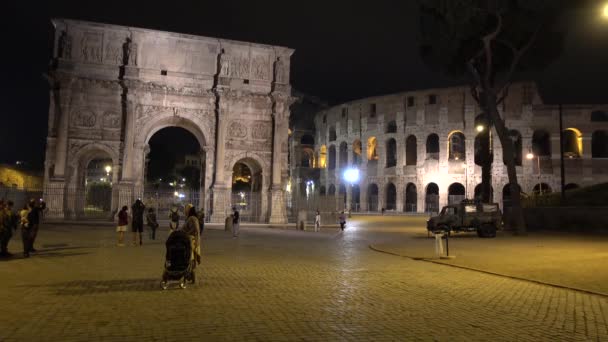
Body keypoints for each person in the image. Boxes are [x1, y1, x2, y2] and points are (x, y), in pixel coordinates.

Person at [182, 204, 201, 282]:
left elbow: (196, 229)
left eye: (186, 209)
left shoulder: (192, 218)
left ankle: (190, 273)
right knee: (191, 257)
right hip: (189, 240)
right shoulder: (189, 218)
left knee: (191, 257)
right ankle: (190, 273)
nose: (185, 210)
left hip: (191, 241)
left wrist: (187, 233)